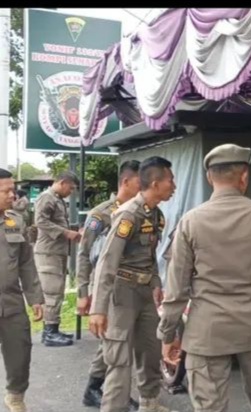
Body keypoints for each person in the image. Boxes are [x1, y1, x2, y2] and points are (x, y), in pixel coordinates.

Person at [159, 143, 251, 412]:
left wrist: (167, 334)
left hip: (207, 331)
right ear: (244, 176)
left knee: (210, 407)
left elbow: (177, 288)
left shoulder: (190, 221)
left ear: (209, 177)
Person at [89, 156, 176, 412]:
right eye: (170, 181)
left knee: (151, 350)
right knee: (119, 359)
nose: (174, 187)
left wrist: (156, 283)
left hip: (145, 292)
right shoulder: (128, 214)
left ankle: (149, 403)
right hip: (122, 292)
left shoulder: (156, 215)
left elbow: (150, 255)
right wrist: (98, 308)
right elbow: (107, 262)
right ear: (156, 183)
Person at [77, 160, 141, 409]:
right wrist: (83, 292)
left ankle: (96, 388)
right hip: (106, 285)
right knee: (114, 340)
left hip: (130, 286)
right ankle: (101, 391)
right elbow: (84, 254)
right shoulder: (101, 214)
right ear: (126, 182)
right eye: (140, 181)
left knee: (115, 339)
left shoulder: (141, 211)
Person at [0, 168, 45, 412]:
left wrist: (35, 298)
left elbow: (26, 263)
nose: (12, 195)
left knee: (20, 352)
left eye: (13, 190)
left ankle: (15, 396)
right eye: (6, 191)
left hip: (11, 300)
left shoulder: (15, 221)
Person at [34, 171, 81, 347]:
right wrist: (66, 233)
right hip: (48, 253)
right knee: (52, 291)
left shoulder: (57, 199)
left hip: (57, 251)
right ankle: (49, 332)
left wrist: (73, 230)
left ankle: (53, 327)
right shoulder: (47, 198)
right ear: (62, 182)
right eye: (71, 188)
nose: (71, 192)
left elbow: (57, 222)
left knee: (58, 291)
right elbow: (41, 221)